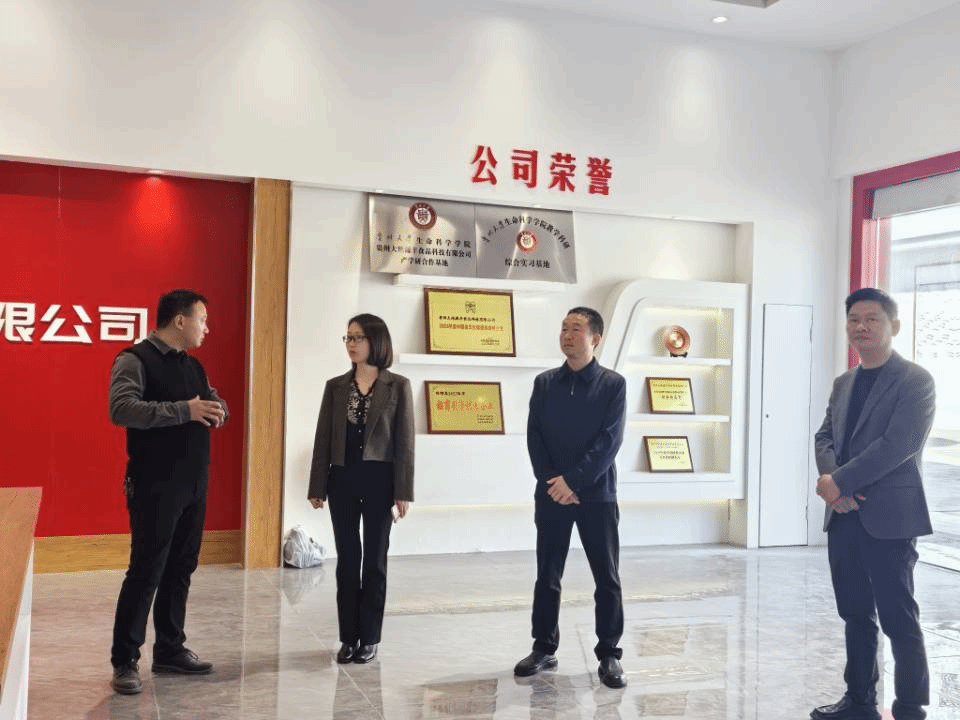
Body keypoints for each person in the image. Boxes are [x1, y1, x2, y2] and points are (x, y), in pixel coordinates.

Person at [812, 287, 935, 720]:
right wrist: (834, 486)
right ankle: (860, 701)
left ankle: (910, 707)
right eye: (854, 319)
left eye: (872, 319)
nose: (861, 326)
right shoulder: (844, 382)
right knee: (855, 613)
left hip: (890, 518)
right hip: (843, 517)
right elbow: (825, 436)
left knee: (899, 617)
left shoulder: (916, 380)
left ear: (893, 325)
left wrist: (840, 481)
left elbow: (899, 444)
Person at [108, 289, 228, 695]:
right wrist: (185, 410)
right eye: (202, 320)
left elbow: (212, 401)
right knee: (146, 571)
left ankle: (170, 650)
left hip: (194, 483)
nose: (206, 328)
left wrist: (217, 409)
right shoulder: (134, 359)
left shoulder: (193, 365)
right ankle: (125, 660)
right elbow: (121, 409)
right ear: (180, 320)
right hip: (154, 484)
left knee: (181, 567)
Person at [515, 306, 628, 689]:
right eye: (564, 327)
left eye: (576, 328)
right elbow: (535, 437)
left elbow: (609, 442)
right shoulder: (545, 383)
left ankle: (610, 654)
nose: (567, 334)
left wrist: (574, 482)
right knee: (547, 575)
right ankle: (544, 647)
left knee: (606, 576)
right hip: (551, 494)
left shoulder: (613, 385)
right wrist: (553, 482)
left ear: (595, 337)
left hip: (598, 495)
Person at [308, 313, 414, 665]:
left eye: (358, 338)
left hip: (381, 481)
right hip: (342, 480)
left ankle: (370, 638)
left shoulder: (398, 385)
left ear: (376, 341)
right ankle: (348, 637)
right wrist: (317, 485)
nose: (351, 344)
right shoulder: (335, 386)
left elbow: (405, 443)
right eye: (348, 338)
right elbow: (323, 438)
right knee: (347, 561)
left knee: (376, 561)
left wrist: (403, 491)